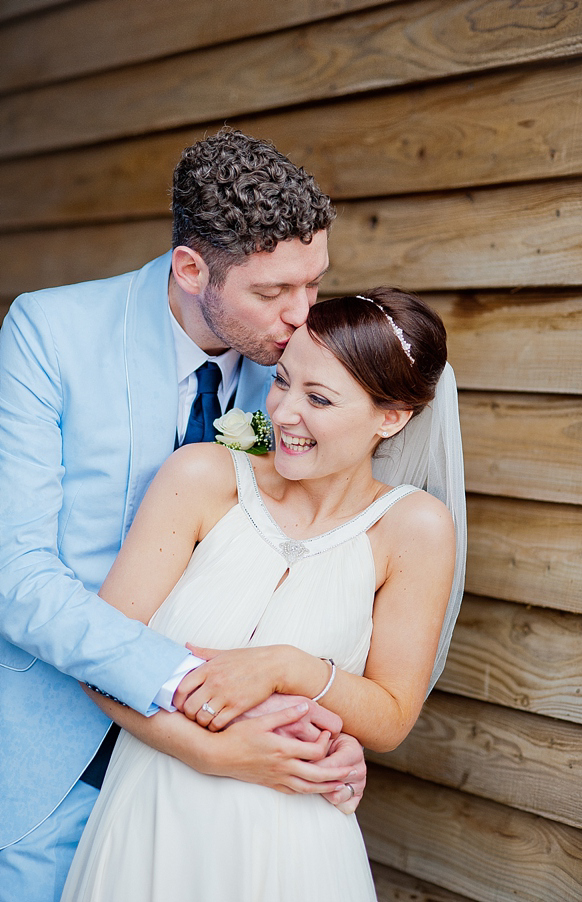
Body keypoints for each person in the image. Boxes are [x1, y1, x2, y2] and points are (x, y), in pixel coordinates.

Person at [0, 129, 367, 902]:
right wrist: (184, 684)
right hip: (54, 757)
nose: (303, 319)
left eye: (313, 284)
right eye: (272, 294)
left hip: (231, 784)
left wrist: (323, 730)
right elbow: (18, 577)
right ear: (191, 268)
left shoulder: (305, 377)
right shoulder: (46, 333)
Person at [60, 288, 466, 901]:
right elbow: (100, 660)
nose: (283, 413)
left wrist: (287, 667)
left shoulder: (415, 530)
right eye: (281, 382)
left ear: (393, 417)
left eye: (319, 398)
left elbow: (389, 719)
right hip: (153, 814)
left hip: (292, 840)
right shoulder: (201, 478)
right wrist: (211, 755)